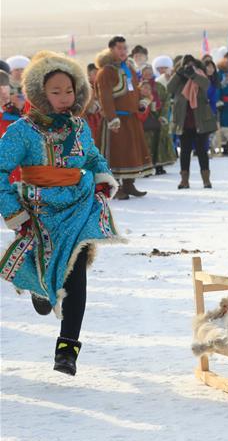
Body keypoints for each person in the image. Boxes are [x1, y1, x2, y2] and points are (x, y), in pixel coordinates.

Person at [0, 51, 122, 375]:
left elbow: (93, 158)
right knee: (47, 273)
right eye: (56, 92)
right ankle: (41, 289)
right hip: (38, 212)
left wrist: (103, 177)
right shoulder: (21, 132)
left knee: (76, 273)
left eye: (69, 91)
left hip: (78, 209)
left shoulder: (79, 128)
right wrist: (14, 212)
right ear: (40, 93)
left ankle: (67, 350)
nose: (64, 98)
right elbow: (0, 170)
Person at [94, 36, 153, 199]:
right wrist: (112, 118)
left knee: (131, 152)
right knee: (116, 154)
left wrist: (141, 101)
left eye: (125, 48)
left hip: (131, 118)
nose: (123, 51)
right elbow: (105, 97)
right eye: (119, 48)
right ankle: (115, 186)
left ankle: (129, 184)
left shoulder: (129, 69)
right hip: (116, 120)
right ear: (111, 50)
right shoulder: (106, 72)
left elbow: (135, 90)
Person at [168, 55, 217, 189]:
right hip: (183, 119)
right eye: (187, 65)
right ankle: (184, 180)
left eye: (192, 65)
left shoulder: (200, 75)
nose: (189, 67)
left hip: (200, 119)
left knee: (202, 151)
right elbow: (169, 88)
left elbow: (206, 85)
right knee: (184, 151)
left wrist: (193, 75)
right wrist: (179, 74)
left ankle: (206, 180)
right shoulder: (179, 79)